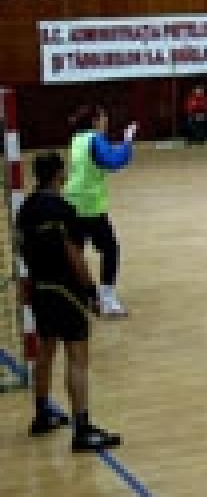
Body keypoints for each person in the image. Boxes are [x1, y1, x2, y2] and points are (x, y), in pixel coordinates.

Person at [17, 152, 122, 453]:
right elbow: (74, 255)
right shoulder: (64, 210)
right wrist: (91, 291)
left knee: (45, 351)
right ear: (58, 175)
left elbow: (22, 248)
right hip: (66, 291)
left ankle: (42, 414)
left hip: (39, 288)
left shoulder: (25, 209)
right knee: (77, 357)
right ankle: (82, 429)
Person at [64, 106, 136, 318]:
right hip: (89, 206)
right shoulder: (94, 139)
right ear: (95, 120)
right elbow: (113, 162)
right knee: (110, 249)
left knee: (76, 251)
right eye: (104, 118)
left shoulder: (77, 139)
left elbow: (101, 157)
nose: (106, 122)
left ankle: (78, 295)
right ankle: (107, 299)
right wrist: (128, 141)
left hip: (71, 202)